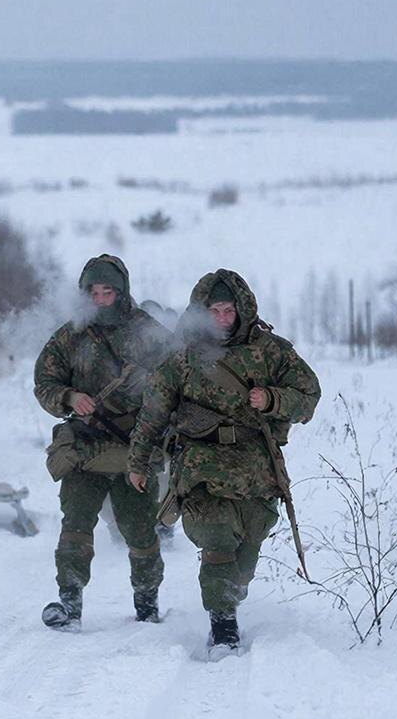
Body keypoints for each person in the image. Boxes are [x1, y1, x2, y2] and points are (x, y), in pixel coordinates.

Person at [126, 269, 320, 654]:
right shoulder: (182, 358)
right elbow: (153, 414)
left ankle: (231, 594)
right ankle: (223, 625)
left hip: (255, 467)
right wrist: (138, 461)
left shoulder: (270, 350)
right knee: (216, 541)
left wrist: (272, 400)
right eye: (212, 310)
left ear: (242, 309)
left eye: (228, 310)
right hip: (201, 465)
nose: (221, 318)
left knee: (245, 555)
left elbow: (309, 393)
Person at [34, 255, 171, 630]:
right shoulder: (71, 334)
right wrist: (68, 397)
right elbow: (44, 382)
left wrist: (151, 400)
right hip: (85, 447)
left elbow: (177, 380)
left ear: (122, 291)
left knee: (141, 532)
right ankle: (69, 602)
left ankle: (147, 603)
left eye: (107, 291)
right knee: (76, 523)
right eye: (93, 292)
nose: (100, 299)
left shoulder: (147, 331)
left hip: (134, 449)